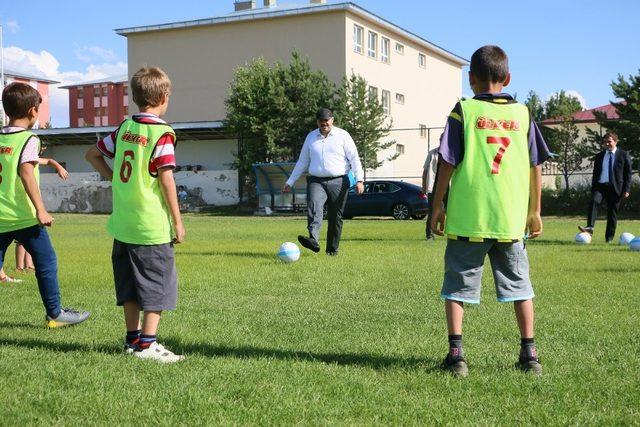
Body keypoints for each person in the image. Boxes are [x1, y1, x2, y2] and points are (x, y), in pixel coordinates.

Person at [430, 45, 550, 377]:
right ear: (507, 78)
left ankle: (457, 357)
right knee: (521, 287)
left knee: (457, 287)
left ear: (471, 80)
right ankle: (530, 355)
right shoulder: (523, 114)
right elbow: (535, 164)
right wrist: (534, 210)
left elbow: (447, 162)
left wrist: (437, 206)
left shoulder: (463, 111)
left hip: (470, 218)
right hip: (510, 221)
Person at [86, 67, 185, 363]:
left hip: (123, 223)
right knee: (157, 283)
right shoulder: (162, 133)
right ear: (164, 97)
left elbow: (92, 154)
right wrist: (178, 222)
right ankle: (147, 345)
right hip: (149, 226)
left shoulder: (125, 128)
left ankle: (132, 340)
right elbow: (166, 179)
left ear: (135, 97)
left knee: (129, 283)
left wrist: (113, 177)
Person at [0, 82, 90, 327]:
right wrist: (41, 209)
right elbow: (27, 172)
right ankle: (55, 314)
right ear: (32, 111)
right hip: (24, 217)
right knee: (46, 262)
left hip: (0, 218)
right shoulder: (29, 139)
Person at [283, 108, 364, 256]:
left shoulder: (343, 135)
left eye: (326, 120)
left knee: (335, 216)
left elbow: (354, 158)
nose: (324, 123)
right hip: (316, 181)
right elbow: (303, 161)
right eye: (321, 120)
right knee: (314, 207)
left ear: (332, 120)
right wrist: (290, 181)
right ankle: (313, 240)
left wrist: (359, 180)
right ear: (317, 122)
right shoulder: (311, 137)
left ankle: (332, 250)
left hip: (339, 181)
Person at [16, 157, 68, 272]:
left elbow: (49, 160)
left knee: (29, 238)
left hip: (32, 206)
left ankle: (28, 264)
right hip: (20, 206)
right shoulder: (21, 159)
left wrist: (59, 167)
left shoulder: (32, 158)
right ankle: (19, 266)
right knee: (20, 240)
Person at [578, 132, 632, 242]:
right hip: (601, 186)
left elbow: (628, 174)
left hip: (616, 188)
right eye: (605, 142)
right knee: (594, 201)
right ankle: (590, 227)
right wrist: (594, 186)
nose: (607, 144)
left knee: (612, 214)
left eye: (609, 141)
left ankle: (609, 238)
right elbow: (595, 173)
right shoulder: (599, 156)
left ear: (615, 142)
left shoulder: (623, 154)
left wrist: (626, 189)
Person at [422, 146, 439, 240]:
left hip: (448, 186)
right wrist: (424, 187)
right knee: (432, 211)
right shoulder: (432, 153)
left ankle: (454, 235)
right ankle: (429, 235)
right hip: (433, 187)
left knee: (452, 210)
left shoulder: (452, 152)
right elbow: (425, 171)